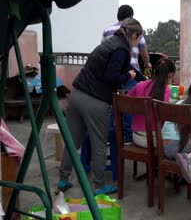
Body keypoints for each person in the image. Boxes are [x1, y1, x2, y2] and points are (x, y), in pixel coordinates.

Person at [56, 18, 146, 195]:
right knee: (99, 144)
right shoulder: (121, 49)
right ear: (134, 35)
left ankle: (63, 181)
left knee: (72, 141)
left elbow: (127, 67)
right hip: (95, 101)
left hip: (76, 95)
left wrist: (144, 80)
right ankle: (99, 186)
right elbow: (112, 77)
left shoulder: (112, 43)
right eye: (138, 39)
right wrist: (128, 76)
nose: (137, 43)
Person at [103, 4, 150, 144]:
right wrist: (147, 64)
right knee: (130, 106)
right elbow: (144, 54)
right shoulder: (134, 31)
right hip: (130, 73)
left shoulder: (107, 30)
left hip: (113, 72)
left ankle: (113, 137)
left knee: (114, 104)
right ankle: (129, 138)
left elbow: (105, 52)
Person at [127, 58, 176, 147]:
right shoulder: (166, 90)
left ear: (154, 70)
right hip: (154, 140)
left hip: (136, 136)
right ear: (171, 74)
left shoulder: (140, 84)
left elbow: (126, 102)